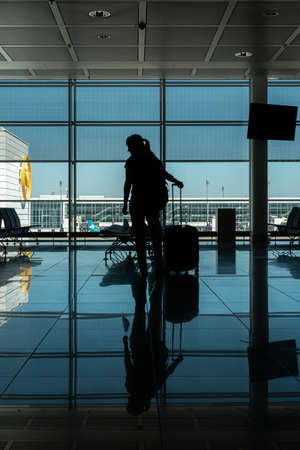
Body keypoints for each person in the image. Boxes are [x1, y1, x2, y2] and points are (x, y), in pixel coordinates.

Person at [122, 134, 183, 276]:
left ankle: (143, 267)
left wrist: (125, 203)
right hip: (152, 201)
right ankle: (159, 262)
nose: (128, 150)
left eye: (129, 147)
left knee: (139, 235)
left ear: (134, 146)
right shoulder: (153, 160)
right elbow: (164, 174)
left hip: (137, 201)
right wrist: (177, 181)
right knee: (155, 232)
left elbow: (127, 184)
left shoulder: (131, 162)